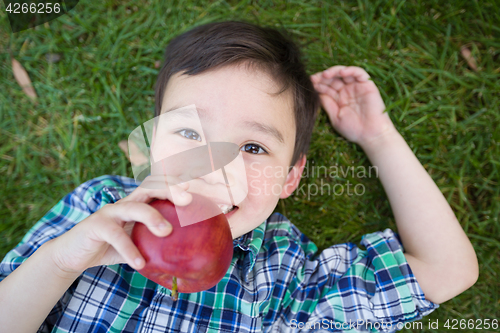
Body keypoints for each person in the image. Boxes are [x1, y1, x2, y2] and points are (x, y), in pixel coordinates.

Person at [0, 21, 478, 333]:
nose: (214, 164)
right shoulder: (98, 208)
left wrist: (378, 136)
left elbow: (447, 271)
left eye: (253, 147)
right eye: (188, 132)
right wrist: (60, 262)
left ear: (290, 178)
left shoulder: (287, 275)